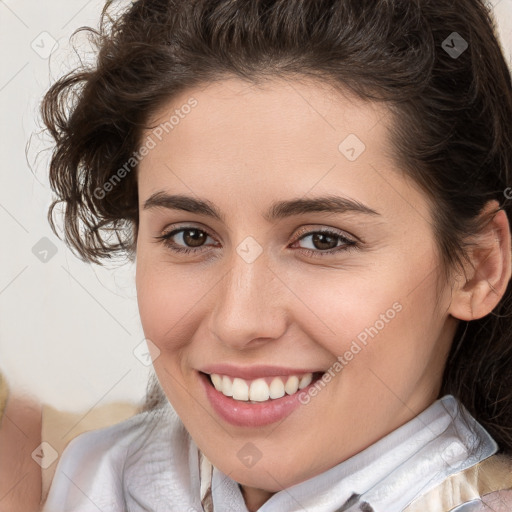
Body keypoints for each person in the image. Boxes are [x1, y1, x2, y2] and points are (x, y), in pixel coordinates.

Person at [38, 0, 512, 510]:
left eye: (322, 240)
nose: (239, 322)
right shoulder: (88, 476)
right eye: (190, 237)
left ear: (475, 268)